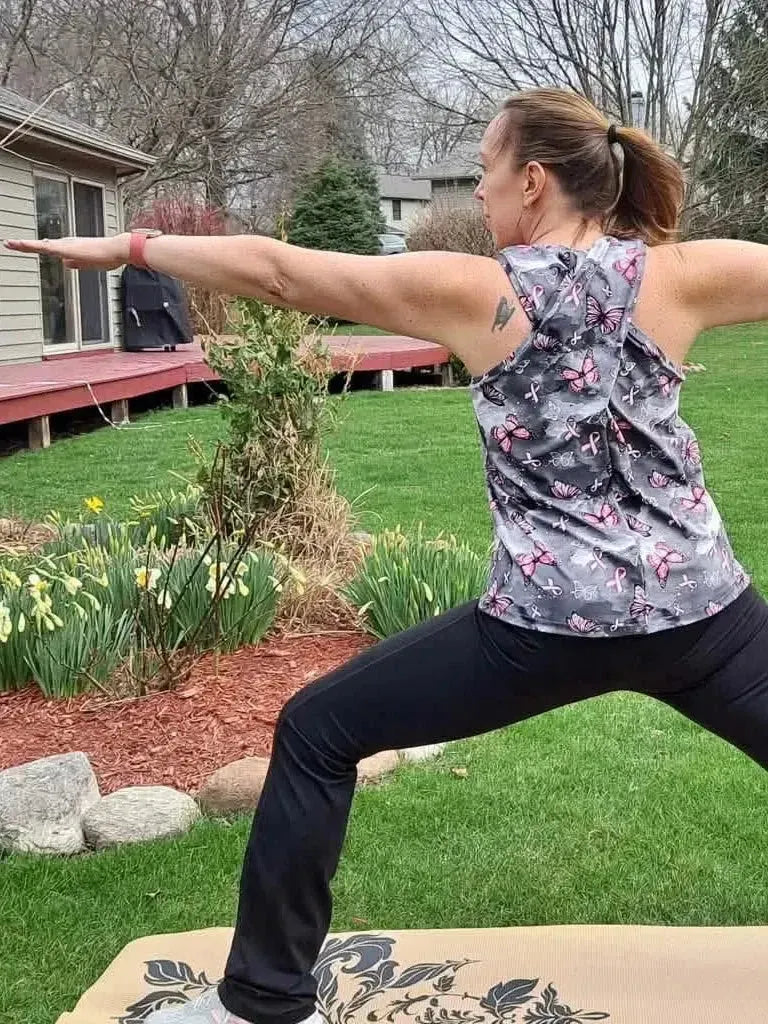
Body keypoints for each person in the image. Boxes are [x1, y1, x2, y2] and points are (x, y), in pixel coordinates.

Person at [8, 87, 768, 1024]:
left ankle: (264, 1004)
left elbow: (279, 273)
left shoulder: (473, 291)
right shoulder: (684, 276)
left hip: (546, 628)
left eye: (488, 174)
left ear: (533, 182)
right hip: (703, 618)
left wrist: (129, 247)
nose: (484, 197)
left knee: (319, 732)